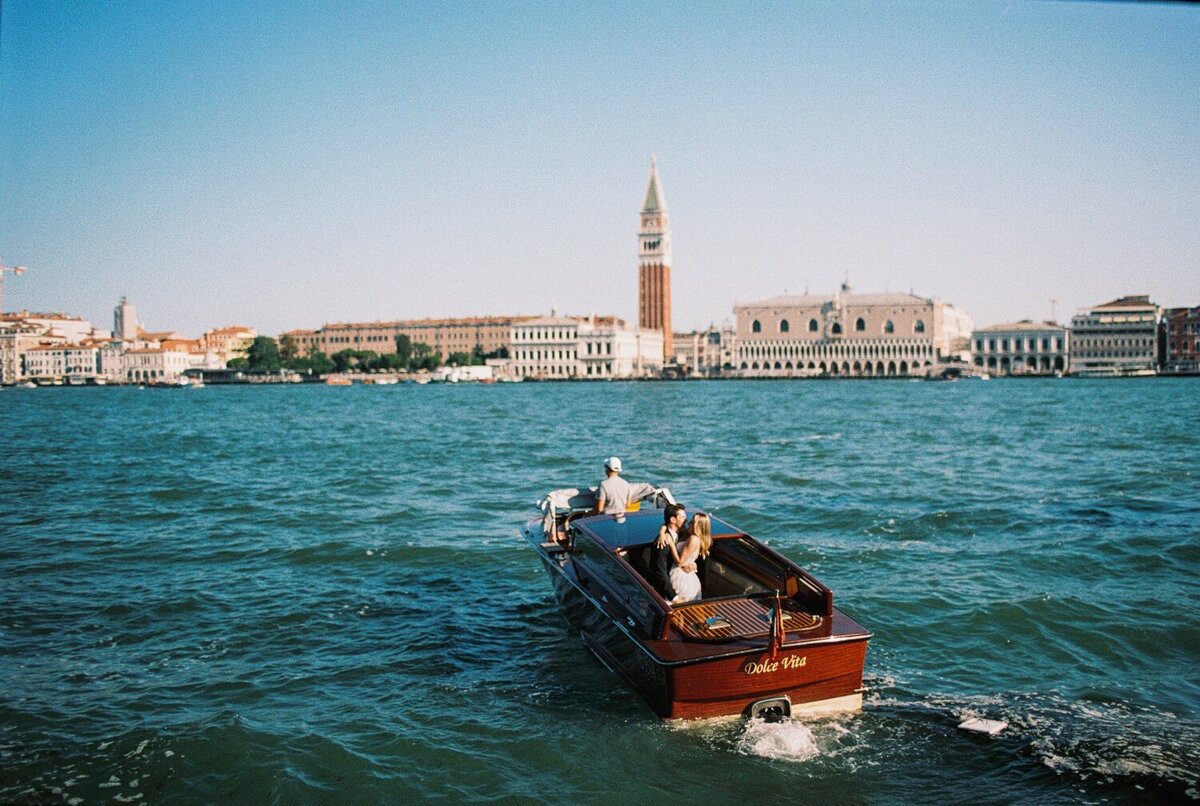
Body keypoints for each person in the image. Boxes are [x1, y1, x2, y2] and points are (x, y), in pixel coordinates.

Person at [668, 513, 712, 604]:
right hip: (687, 574)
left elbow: (680, 562)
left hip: (681, 577)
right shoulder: (693, 537)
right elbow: (666, 524)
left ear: (697, 526)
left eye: (692, 522)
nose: (688, 523)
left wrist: (671, 544)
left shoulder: (693, 539)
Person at [650, 503, 688, 599]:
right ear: (673, 520)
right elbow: (660, 572)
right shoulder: (662, 543)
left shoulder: (684, 533)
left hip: (684, 581)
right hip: (668, 588)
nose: (686, 520)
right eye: (683, 517)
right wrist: (673, 597)